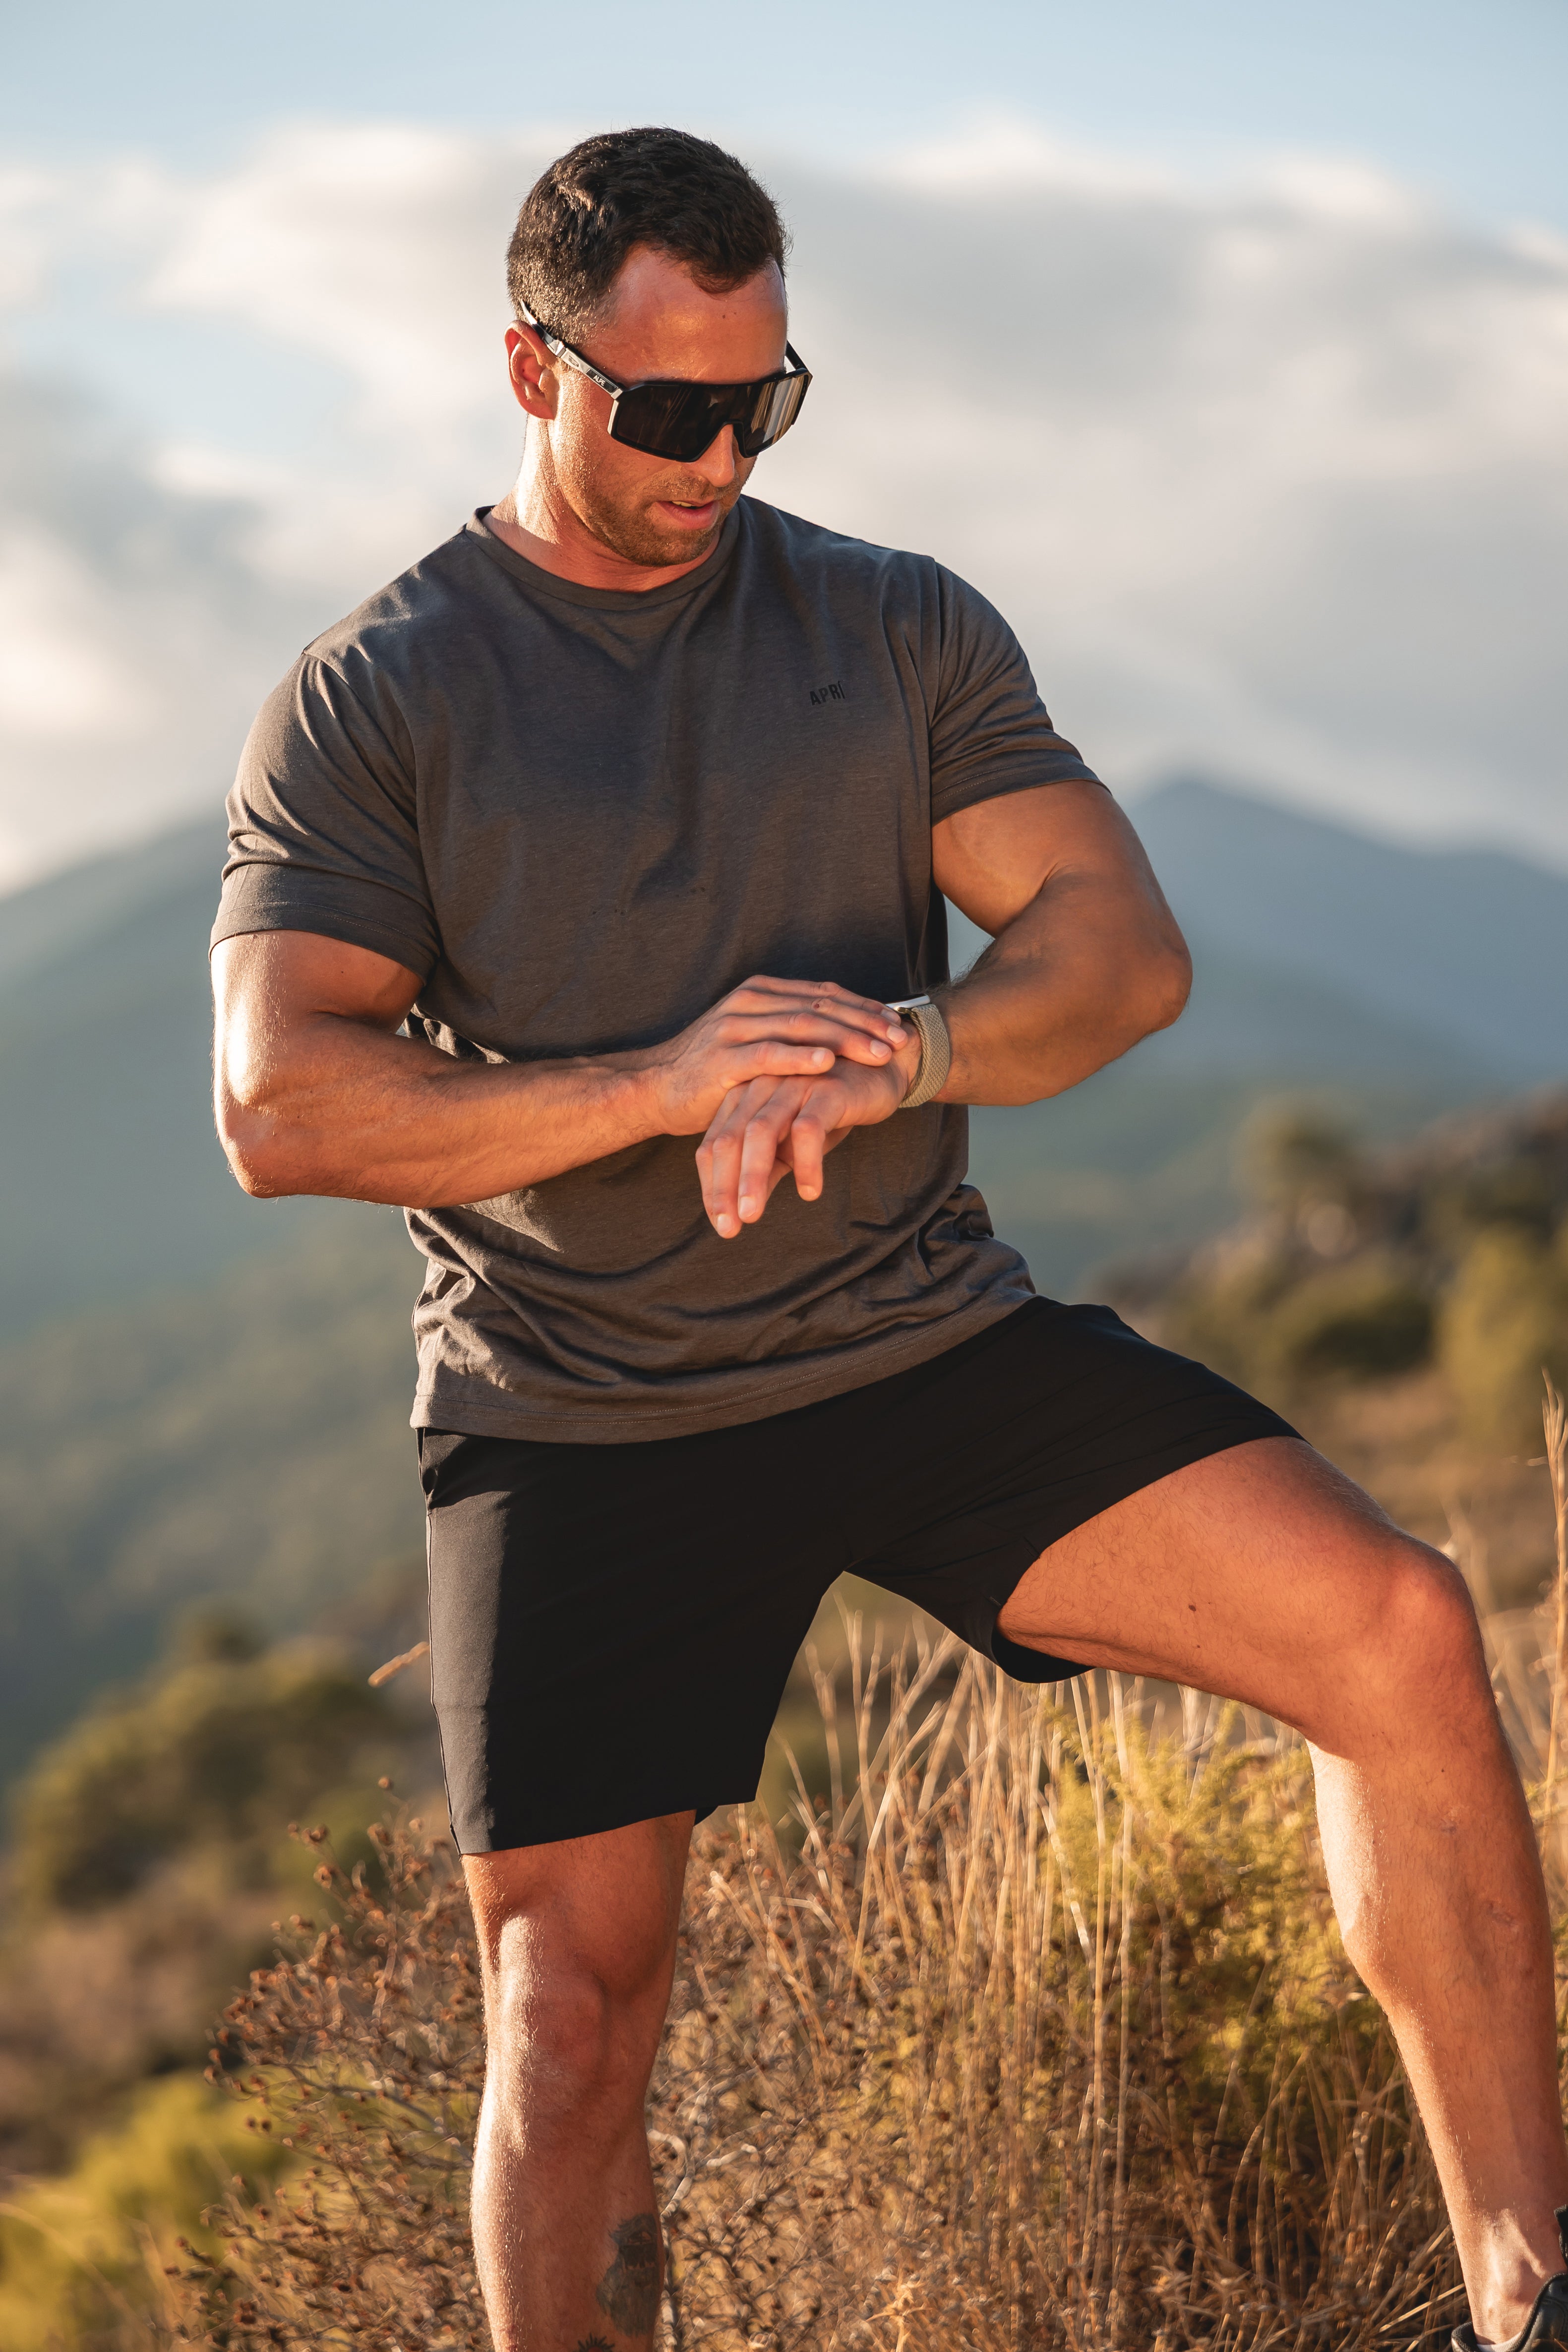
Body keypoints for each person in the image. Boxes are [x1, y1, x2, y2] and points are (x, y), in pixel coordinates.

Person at [210, 125, 1567, 2352]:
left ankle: (1526, 2290)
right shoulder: (383, 692)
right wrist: (662, 1081)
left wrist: (898, 1054)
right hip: (582, 1414)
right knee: (570, 2018)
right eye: (667, 407)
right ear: (531, 370)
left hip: (920, 1345)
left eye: (762, 401)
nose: (717, 458)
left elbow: (1116, 947)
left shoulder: (888, 621)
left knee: (1400, 1631)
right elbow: (281, 1104)